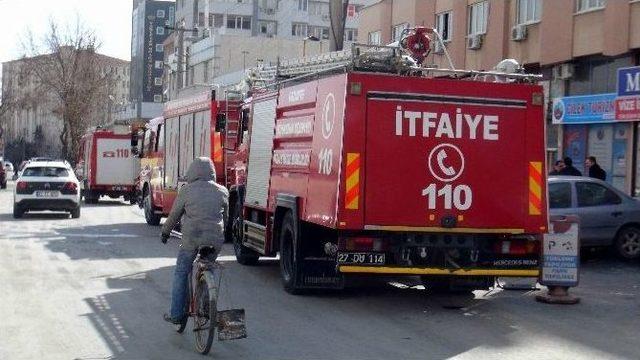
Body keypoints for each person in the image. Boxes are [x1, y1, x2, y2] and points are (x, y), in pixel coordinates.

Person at [160, 157, 229, 324]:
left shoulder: (187, 190)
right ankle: (206, 306)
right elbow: (225, 218)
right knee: (209, 267)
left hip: (192, 237)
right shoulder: (223, 191)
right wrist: (222, 234)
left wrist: (165, 232)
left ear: (192, 172)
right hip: (215, 239)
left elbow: (174, 215)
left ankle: (176, 315)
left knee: (181, 271)